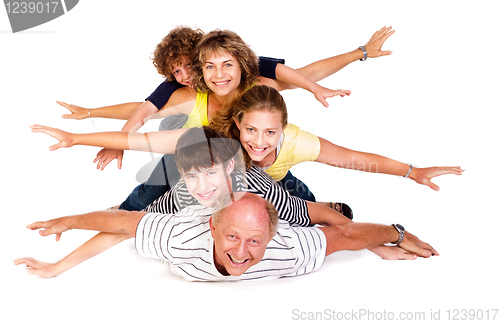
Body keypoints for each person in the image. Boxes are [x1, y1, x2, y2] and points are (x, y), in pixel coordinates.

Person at [15, 127, 413, 278]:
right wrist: (58, 266)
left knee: (324, 214)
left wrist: (376, 241)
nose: (202, 186)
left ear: (231, 171)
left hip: (295, 203)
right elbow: (121, 227)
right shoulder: (186, 193)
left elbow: (314, 218)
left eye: (211, 174)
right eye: (192, 175)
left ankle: (339, 203)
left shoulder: (258, 193)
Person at [58, 26, 395, 171]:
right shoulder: (183, 90)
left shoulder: (245, 74)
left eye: (191, 67)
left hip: (262, 159)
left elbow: (298, 72)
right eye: (177, 72)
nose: (185, 76)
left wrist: (357, 55)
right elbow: (144, 110)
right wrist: (97, 120)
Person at [15, 192, 438, 281]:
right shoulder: (181, 235)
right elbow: (122, 223)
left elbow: (345, 235)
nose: (240, 253)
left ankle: (312, 201)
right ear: (214, 228)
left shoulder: (288, 249)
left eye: (255, 241)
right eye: (233, 237)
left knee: (325, 215)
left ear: (273, 238)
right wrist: (65, 228)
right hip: (198, 197)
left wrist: (396, 234)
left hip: (271, 197)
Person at [210, 85, 465, 199]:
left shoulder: (298, 142)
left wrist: (413, 172)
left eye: (270, 133)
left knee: (303, 202)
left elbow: (353, 159)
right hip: (239, 186)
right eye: (251, 130)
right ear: (237, 124)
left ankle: (324, 208)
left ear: (282, 129)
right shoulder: (223, 142)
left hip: (279, 182)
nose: (258, 141)